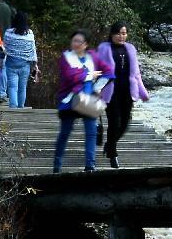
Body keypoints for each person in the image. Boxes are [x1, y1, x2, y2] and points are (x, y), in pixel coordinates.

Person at [53, 30, 113, 173]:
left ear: (86, 44)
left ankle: (90, 165)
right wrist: (88, 75)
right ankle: (57, 164)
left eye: (79, 41)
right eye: (74, 40)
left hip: (87, 100)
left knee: (91, 132)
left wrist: (98, 86)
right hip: (69, 101)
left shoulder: (93, 56)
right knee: (65, 133)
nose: (76, 44)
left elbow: (109, 71)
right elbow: (70, 76)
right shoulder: (65, 57)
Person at [96, 22, 149, 169]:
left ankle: (109, 144)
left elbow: (136, 74)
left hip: (127, 91)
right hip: (110, 91)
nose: (122, 36)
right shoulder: (104, 48)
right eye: (119, 33)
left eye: (124, 33)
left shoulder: (130, 49)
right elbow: (96, 69)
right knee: (114, 122)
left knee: (125, 124)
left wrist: (143, 92)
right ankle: (113, 155)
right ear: (112, 34)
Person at [2, 11, 38, 108]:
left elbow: (4, 47)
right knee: (22, 88)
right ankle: (21, 107)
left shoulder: (8, 33)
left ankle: (13, 107)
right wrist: (35, 64)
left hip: (11, 64)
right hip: (25, 65)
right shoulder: (30, 34)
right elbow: (33, 50)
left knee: (13, 87)